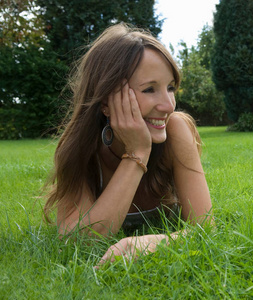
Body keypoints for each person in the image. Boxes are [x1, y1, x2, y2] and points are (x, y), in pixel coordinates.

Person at [44, 23, 212, 264]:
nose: (168, 105)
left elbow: (205, 228)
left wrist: (156, 242)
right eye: (149, 89)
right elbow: (75, 242)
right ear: (105, 102)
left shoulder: (176, 129)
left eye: (171, 88)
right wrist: (137, 152)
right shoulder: (82, 149)